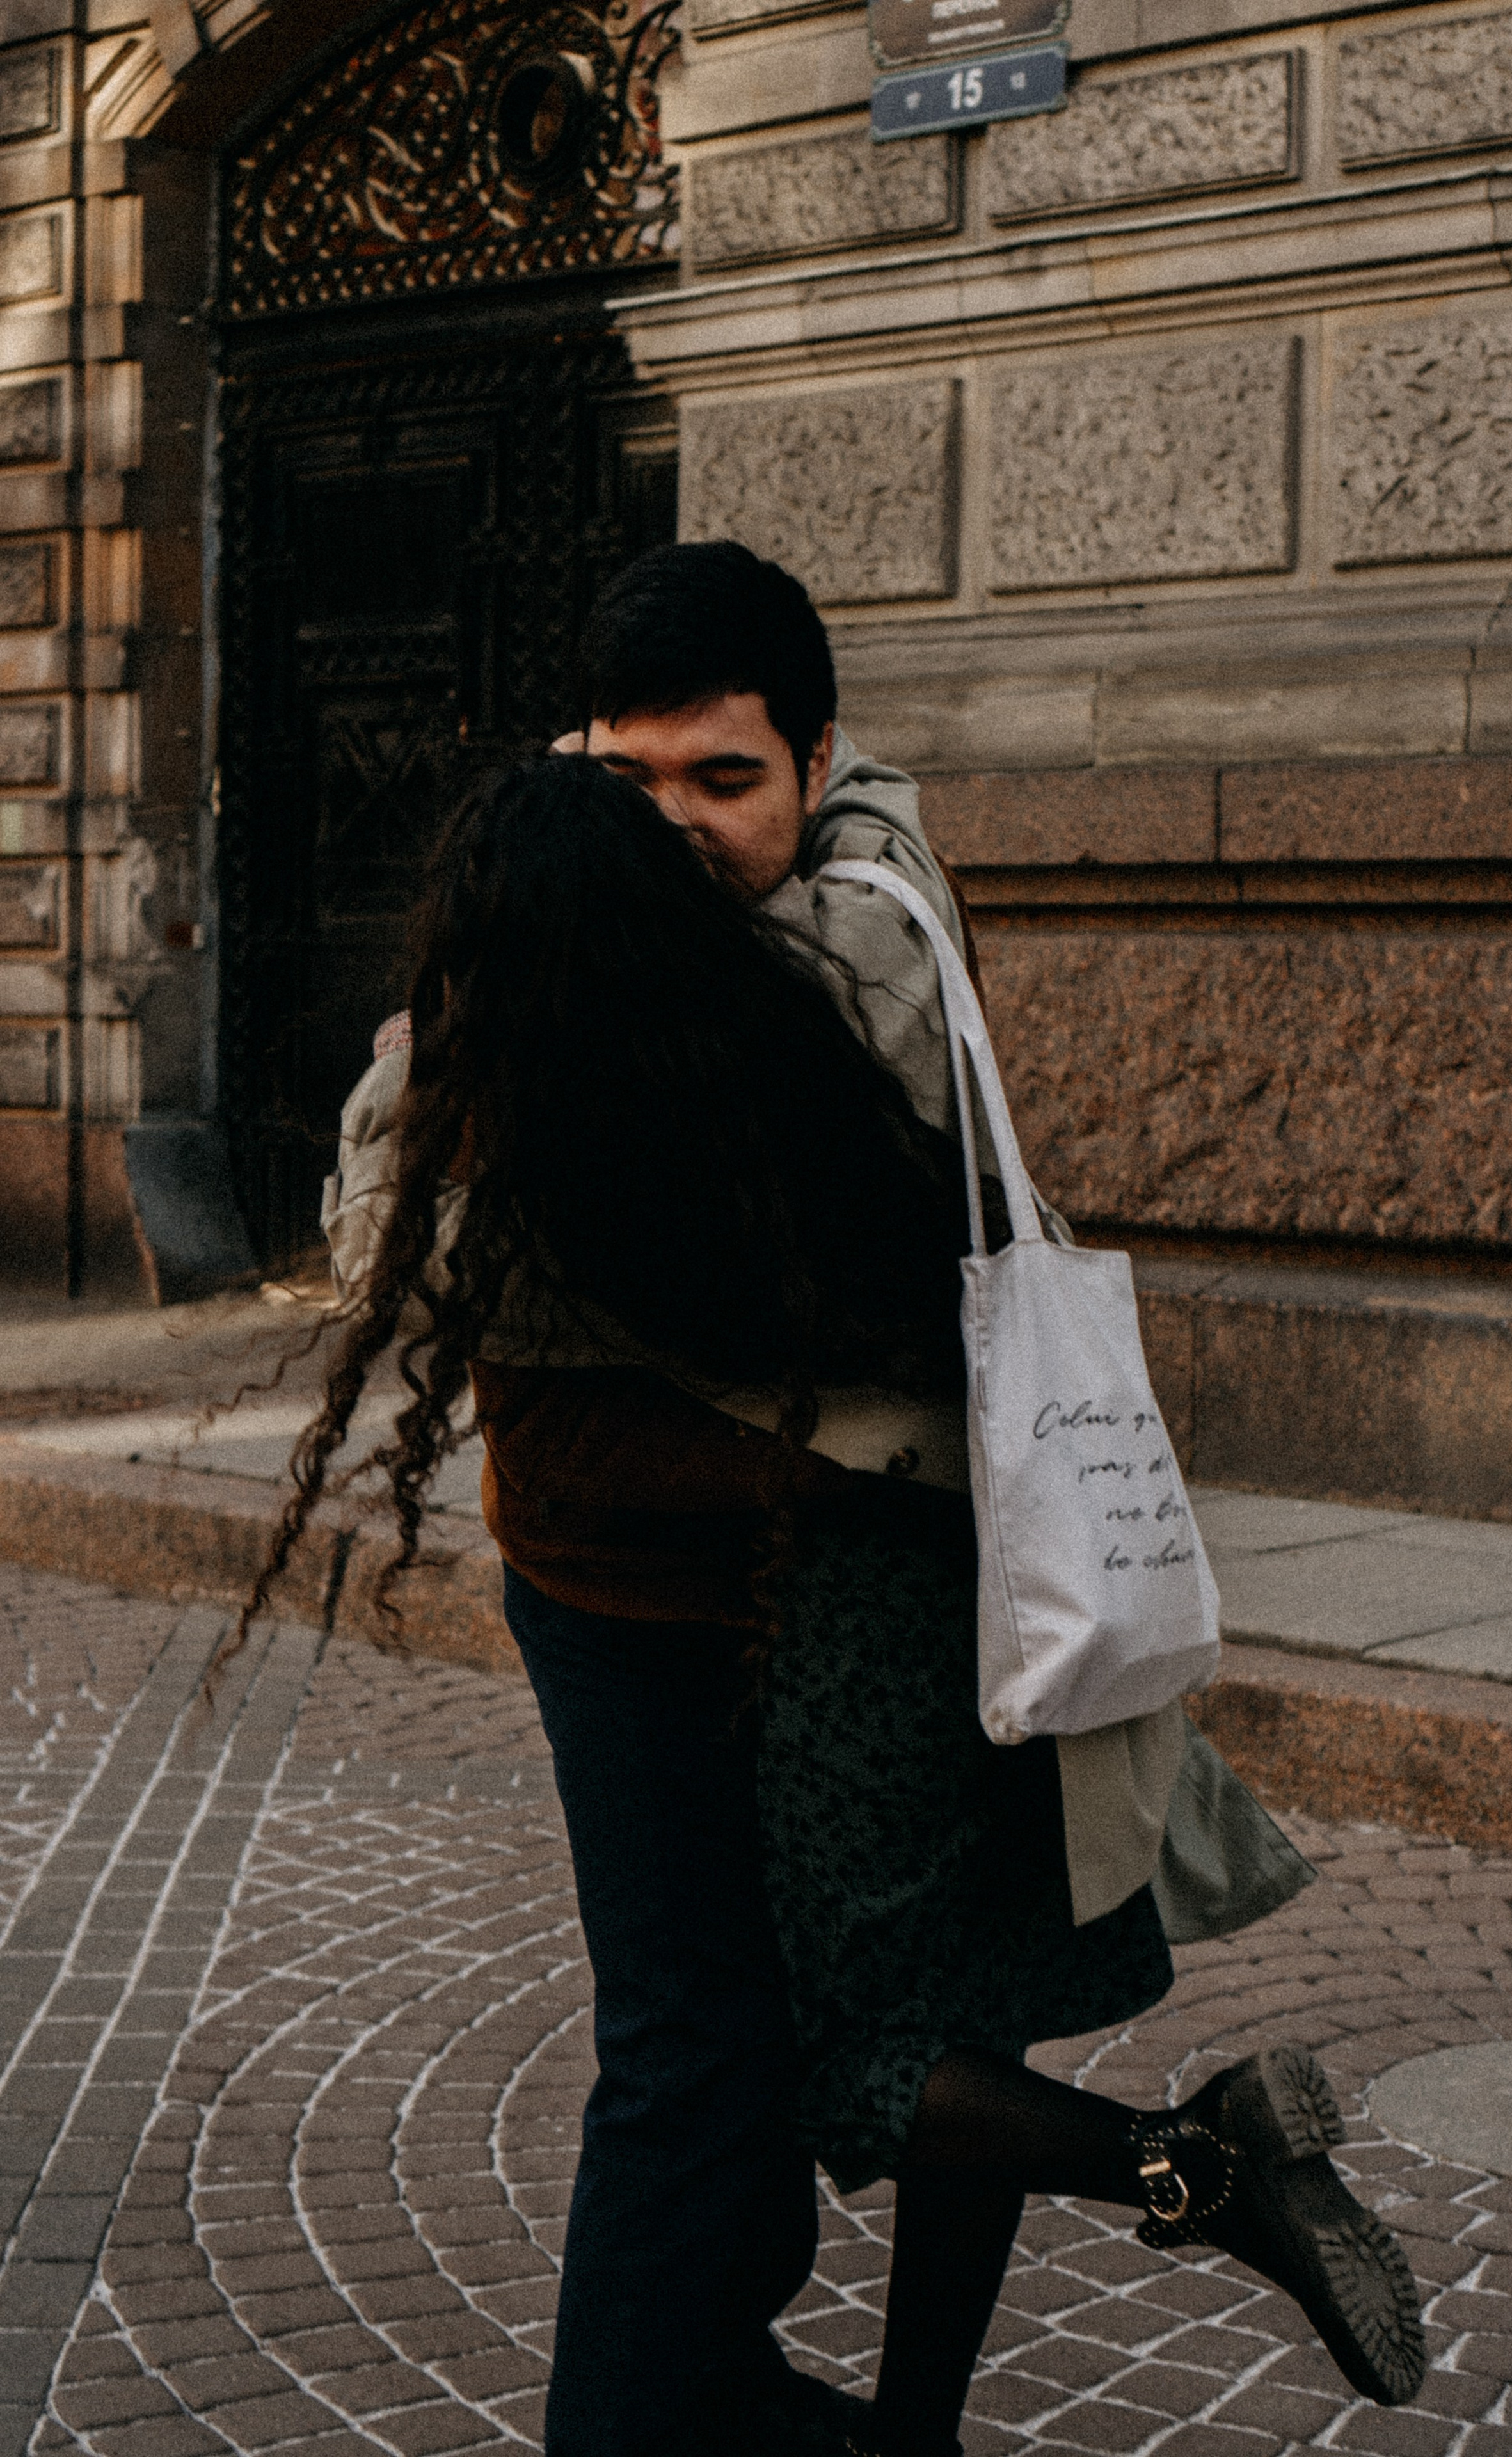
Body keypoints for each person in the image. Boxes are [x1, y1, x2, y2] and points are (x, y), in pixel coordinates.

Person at [275, 547, 1426, 2457]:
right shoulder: (798, 874)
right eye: (629, 784)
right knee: (921, 2030)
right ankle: (937, 2407)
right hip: (837, 1560)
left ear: (819, 761)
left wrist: (421, 1042)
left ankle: (1194, 2178)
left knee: (838, 2055)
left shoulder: (828, 957)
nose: (674, 833)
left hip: (846, 1578)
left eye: (724, 783)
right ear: (582, 753)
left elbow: (407, 1233)